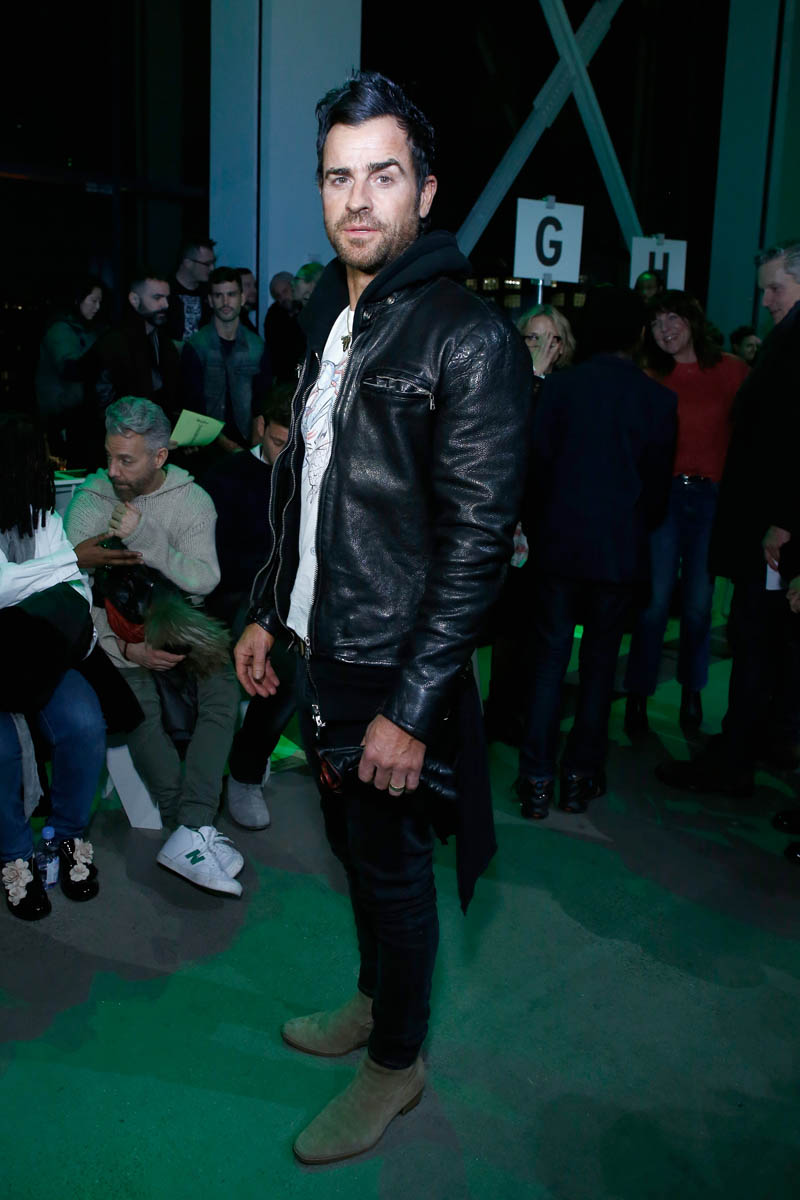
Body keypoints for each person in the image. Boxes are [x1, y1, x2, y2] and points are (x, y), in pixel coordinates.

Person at [234, 71, 531, 1165]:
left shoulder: (469, 338)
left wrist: (411, 710)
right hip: (320, 646)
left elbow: (475, 550)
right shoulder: (332, 316)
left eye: (383, 175)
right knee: (355, 857)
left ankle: (397, 1065)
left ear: (427, 190)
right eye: (337, 177)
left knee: (395, 875)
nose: (357, 200)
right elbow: (305, 487)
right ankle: (373, 1000)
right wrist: (269, 612)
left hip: (391, 669)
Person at [65, 398, 243, 896]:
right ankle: (190, 827)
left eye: (127, 460)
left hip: (178, 622)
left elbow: (204, 580)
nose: (113, 470)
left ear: (160, 456)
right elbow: (72, 596)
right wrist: (126, 649)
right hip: (111, 635)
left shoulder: (192, 500)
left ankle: (191, 827)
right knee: (138, 704)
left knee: (223, 692)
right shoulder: (91, 501)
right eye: (109, 456)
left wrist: (146, 536)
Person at [515, 287, 676, 820]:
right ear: (639, 335)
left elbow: (536, 469)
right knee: (600, 668)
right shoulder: (657, 400)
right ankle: (579, 778)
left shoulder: (561, 390)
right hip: (618, 552)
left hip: (559, 547)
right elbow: (657, 496)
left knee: (548, 664)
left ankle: (535, 780)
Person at [656, 240, 800, 798]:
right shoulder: (786, 339)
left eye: (775, 289)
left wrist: (784, 522)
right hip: (763, 529)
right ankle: (747, 744)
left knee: (757, 640)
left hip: (771, 535)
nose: (765, 301)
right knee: (756, 638)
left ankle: (737, 756)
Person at [624, 292, 748, 737]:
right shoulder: (650, 374)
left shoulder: (731, 370)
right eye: (657, 323)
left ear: (692, 321)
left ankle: (692, 691)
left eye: (673, 318)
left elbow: (754, 433)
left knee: (698, 606)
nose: (666, 330)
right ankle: (638, 693)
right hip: (665, 497)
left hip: (711, 499)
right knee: (655, 605)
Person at [0, 413, 104, 921]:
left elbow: (77, 596)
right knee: (1, 749)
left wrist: (56, 576)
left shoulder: (40, 515)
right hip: (16, 656)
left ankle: (67, 836)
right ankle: (14, 855)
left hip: (39, 653)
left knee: (85, 725)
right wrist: (68, 563)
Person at [483, 301, 576, 747]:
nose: (542, 347)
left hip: (555, 523)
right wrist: (534, 377)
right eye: (532, 338)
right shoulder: (508, 384)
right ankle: (501, 713)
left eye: (551, 339)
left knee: (543, 628)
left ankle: (528, 713)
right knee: (510, 625)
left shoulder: (573, 389)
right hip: (514, 520)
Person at [202, 385, 294, 830]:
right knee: (281, 665)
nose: (287, 455)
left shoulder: (313, 476)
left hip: (288, 601)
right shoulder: (225, 477)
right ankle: (245, 772)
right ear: (260, 428)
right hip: (234, 596)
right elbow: (211, 564)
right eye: (278, 442)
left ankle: (248, 764)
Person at [181, 267, 271, 456]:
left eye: (231, 294)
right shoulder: (196, 346)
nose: (225, 302)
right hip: (206, 446)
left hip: (247, 443)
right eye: (218, 295)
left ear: (242, 298)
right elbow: (192, 405)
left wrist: (255, 446)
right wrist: (226, 445)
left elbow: (263, 401)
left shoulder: (257, 346)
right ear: (210, 300)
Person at [91, 269, 182, 426]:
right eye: (157, 298)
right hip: (124, 434)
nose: (165, 305)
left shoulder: (164, 343)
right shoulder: (113, 344)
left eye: (167, 298)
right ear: (134, 299)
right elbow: (102, 403)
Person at [35, 277, 105, 467]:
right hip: (63, 417)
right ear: (77, 299)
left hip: (78, 415)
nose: (97, 307)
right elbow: (70, 369)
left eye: (100, 302)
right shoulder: (61, 330)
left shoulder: (89, 330)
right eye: (93, 300)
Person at [165, 237, 216, 342]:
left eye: (213, 263)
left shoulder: (210, 292)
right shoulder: (165, 292)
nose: (212, 268)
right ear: (188, 263)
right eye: (207, 264)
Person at [263, 270, 305, 383]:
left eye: (285, 291)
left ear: (294, 286)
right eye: (278, 296)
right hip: (285, 378)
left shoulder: (307, 308)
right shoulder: (273, 315)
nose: (283, 297)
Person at [236, 267, 259, 332]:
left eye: (254, 285)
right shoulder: (234, 321)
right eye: (247, 285)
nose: (254, 290)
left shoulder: (244, 319)